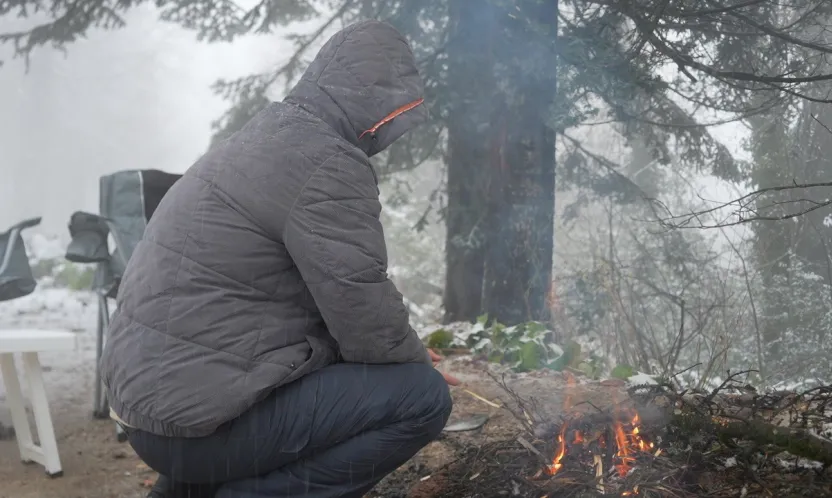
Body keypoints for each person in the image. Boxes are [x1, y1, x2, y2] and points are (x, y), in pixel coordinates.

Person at [100, 19, 459, 498]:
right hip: (193, 426)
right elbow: (359, 301)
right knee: (421, 399)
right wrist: (414, 364)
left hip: (149, 412)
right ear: (369, 98)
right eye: (393, 112)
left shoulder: (260, 139)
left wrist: (398, 348)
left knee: (238, 391)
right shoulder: (324, 160)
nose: (388, 129)